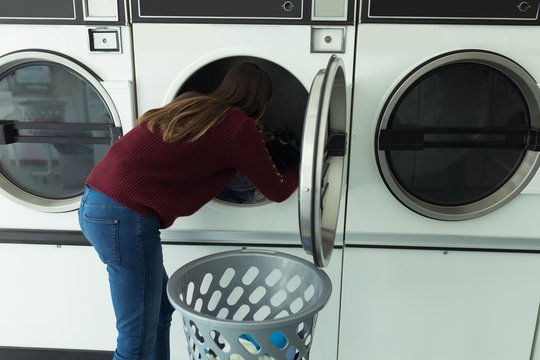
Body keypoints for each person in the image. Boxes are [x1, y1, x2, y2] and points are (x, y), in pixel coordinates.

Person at [78, 63, 299, 360]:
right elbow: (278, 190)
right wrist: (306, 165)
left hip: (95, 203)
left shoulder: (192, 102)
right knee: (135, 340)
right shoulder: (240, 126)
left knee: (159, 314)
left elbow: (185, 150)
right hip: (125, 217)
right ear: (263, 103)